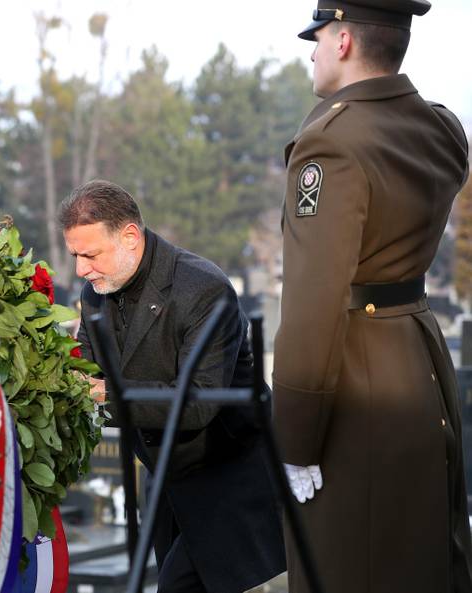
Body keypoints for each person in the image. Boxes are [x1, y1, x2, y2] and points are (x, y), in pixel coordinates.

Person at [272, 2, 472, 592]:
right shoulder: (441, 130)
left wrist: (296, 437)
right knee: (421, 560)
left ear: (343, 41)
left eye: (318, 37)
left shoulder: (329, 146)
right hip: (421, 359)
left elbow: (312, 305)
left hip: (356, 385)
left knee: (346, 567)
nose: (312, 52)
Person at [64, 180, 285, 593]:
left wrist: (101, 393)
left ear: (130, 237)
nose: (81, 270)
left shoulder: (201, 287)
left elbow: (198, 402)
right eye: (75, 255)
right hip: (165, 476)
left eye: (90, 255)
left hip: (227, 476)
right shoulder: (95, 295)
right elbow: (85, 373)